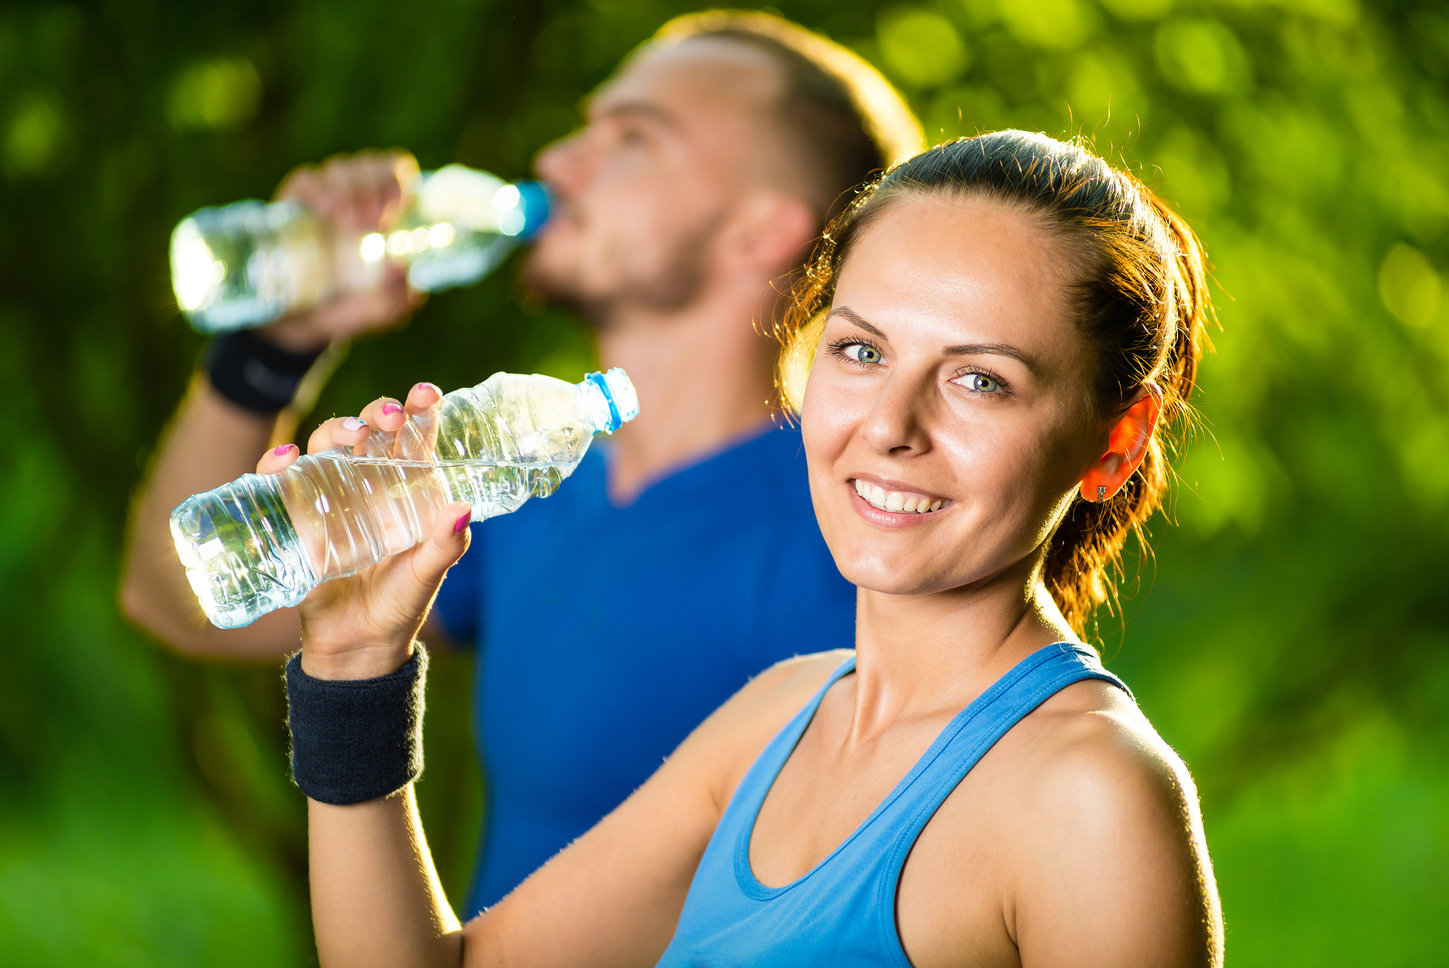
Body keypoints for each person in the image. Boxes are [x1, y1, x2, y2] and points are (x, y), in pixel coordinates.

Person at [266, 129, 1225, 966]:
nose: (888, 426)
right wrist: (354, 667)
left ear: (1116, 443)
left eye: (980, 380)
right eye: (861, 351)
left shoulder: (1091, 800)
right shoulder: (775, 718)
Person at [118, 11, 925, 914]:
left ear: (759, 230)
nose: (557, 161)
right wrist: (276, 343)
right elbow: (179, 597)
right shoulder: (521, 486)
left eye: (633, 137)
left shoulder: (850, 538)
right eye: (586, 127)